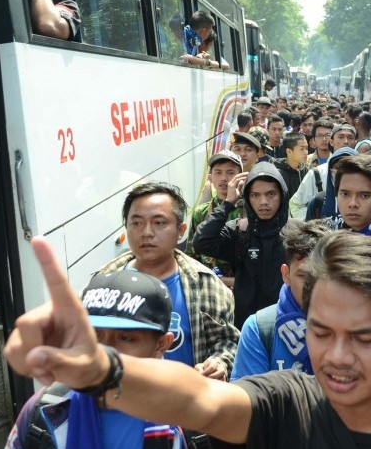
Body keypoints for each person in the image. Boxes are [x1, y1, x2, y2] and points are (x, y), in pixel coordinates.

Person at [5, 233, 371, 449]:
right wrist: (103, 371)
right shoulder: (288, 406)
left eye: (363, 338)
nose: (336, 357)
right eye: (320, 331)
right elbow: (202, 400)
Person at [0, 269, 211, 449]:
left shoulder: (194, 414)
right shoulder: (47, 411)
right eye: (94, 335)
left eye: (125, 338)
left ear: (162, 344)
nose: (104, 351)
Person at [94, 182, 239, 379]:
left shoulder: (208, 286)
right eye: (136, 223)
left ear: (181, 230)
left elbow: (227, 342)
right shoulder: (103, 283)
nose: (146, 232)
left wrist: (219, 362)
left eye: (159, 223)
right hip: (121, 399)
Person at [231, 220, 330, 449]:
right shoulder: (261, 328)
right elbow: (251, 417)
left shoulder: (354, 327)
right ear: (286, 274)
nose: (312, 285)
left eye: (322, 274)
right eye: (303, 275)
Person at [193, 162, 288, 328]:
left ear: (282, 195)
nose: (263, 202)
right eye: (255, 195)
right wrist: (228, 202)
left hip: (287, 325)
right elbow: (202, 241)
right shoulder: (238, 231)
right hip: (246, 327)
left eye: (271, 194)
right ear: (247, 198)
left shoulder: (297, 233)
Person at [185, 150, 242, 288]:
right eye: (218, 172)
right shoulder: (201, 213)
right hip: (210, 288)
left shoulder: (249, 210)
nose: (224, 178)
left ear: (240, 176)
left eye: (230, 172)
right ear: (210, 177)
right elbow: (192, 256)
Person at [290, 123, 357, 219]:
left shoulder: (364, 174)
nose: (345, 141)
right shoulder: (317, 173)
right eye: (341, 137)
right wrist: (314, 222)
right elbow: (296, 205)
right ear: (332, 142)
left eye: (350, 138)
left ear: (355, 142)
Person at [271, 132, 309, 215]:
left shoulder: (306, 170)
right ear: (289, 151)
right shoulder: (278, 174)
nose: (306, 152)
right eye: (302, 149)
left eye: (306, 148)